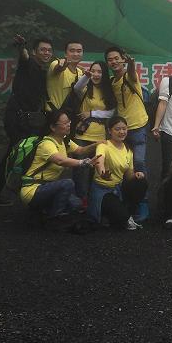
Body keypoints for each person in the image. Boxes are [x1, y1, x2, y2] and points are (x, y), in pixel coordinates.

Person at [0, 34, 52, 207]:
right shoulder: (29, 64)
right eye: (43, 50)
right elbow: (24, 57)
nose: (46, 53)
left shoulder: (42, 71)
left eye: (49, 50)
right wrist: (22, 46)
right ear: (34, 52)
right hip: (17, 118)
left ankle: (4, 193)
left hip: (28, 119)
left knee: (19, 154)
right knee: (16, 155)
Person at [19, 110, 99, 221]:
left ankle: (42, 210)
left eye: (69, 121)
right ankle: (54, 219)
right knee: (67, 183)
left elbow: (80, 150)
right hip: (33, 190)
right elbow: (60, 161)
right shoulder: (46, 144)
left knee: (76, 204)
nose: (69, 124)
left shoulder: (64, 140)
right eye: (65, 123)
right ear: (53, 127)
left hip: (48, 186)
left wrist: (97, 144)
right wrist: (84, 162)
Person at [104, 46, 150, 220]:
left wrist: (131, 64)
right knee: (122, 165)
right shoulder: (111, 81)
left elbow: (131, 72)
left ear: (122, 59)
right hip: (121, 129)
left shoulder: (130, 76)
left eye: (116, 58)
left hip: (137, 126)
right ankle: (126, 200)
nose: (113, 62)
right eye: (110, 59)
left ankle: (143, 203)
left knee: (138, 162)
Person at [88, 116, 148, 230]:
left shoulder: (128, 150)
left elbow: (129, 174)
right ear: (109, 131)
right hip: (103, 191)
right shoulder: (104, 145)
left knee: (141, 183)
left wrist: (136, 175)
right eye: (117, 129)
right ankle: (115, 214)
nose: (121, 132)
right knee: (120, 219)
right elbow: (99, 162)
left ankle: (128, 213)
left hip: (118, 189)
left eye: (124, 129)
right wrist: (102, 173)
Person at [71, 61, 117, 201]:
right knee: (80, 169)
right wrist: (86, 76)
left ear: (104, 74)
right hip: (82, 135)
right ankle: (79, 200)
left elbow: (111, 112)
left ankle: (91, 201)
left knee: (95, 169)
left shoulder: (108, 91)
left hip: (99, 136)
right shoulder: (86, 87)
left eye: (99, 72)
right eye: (93, 71)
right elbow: (76, 88)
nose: (96, 74)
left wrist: (92, 113)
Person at [46, 41, 85, 113]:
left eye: (79, 51)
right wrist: (61, 67)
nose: (75, 54)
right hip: (55, 115)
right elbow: (58, 68)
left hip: (71, 115)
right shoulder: (55, 63)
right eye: (72, 51)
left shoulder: (80, 72)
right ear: (65, 54)